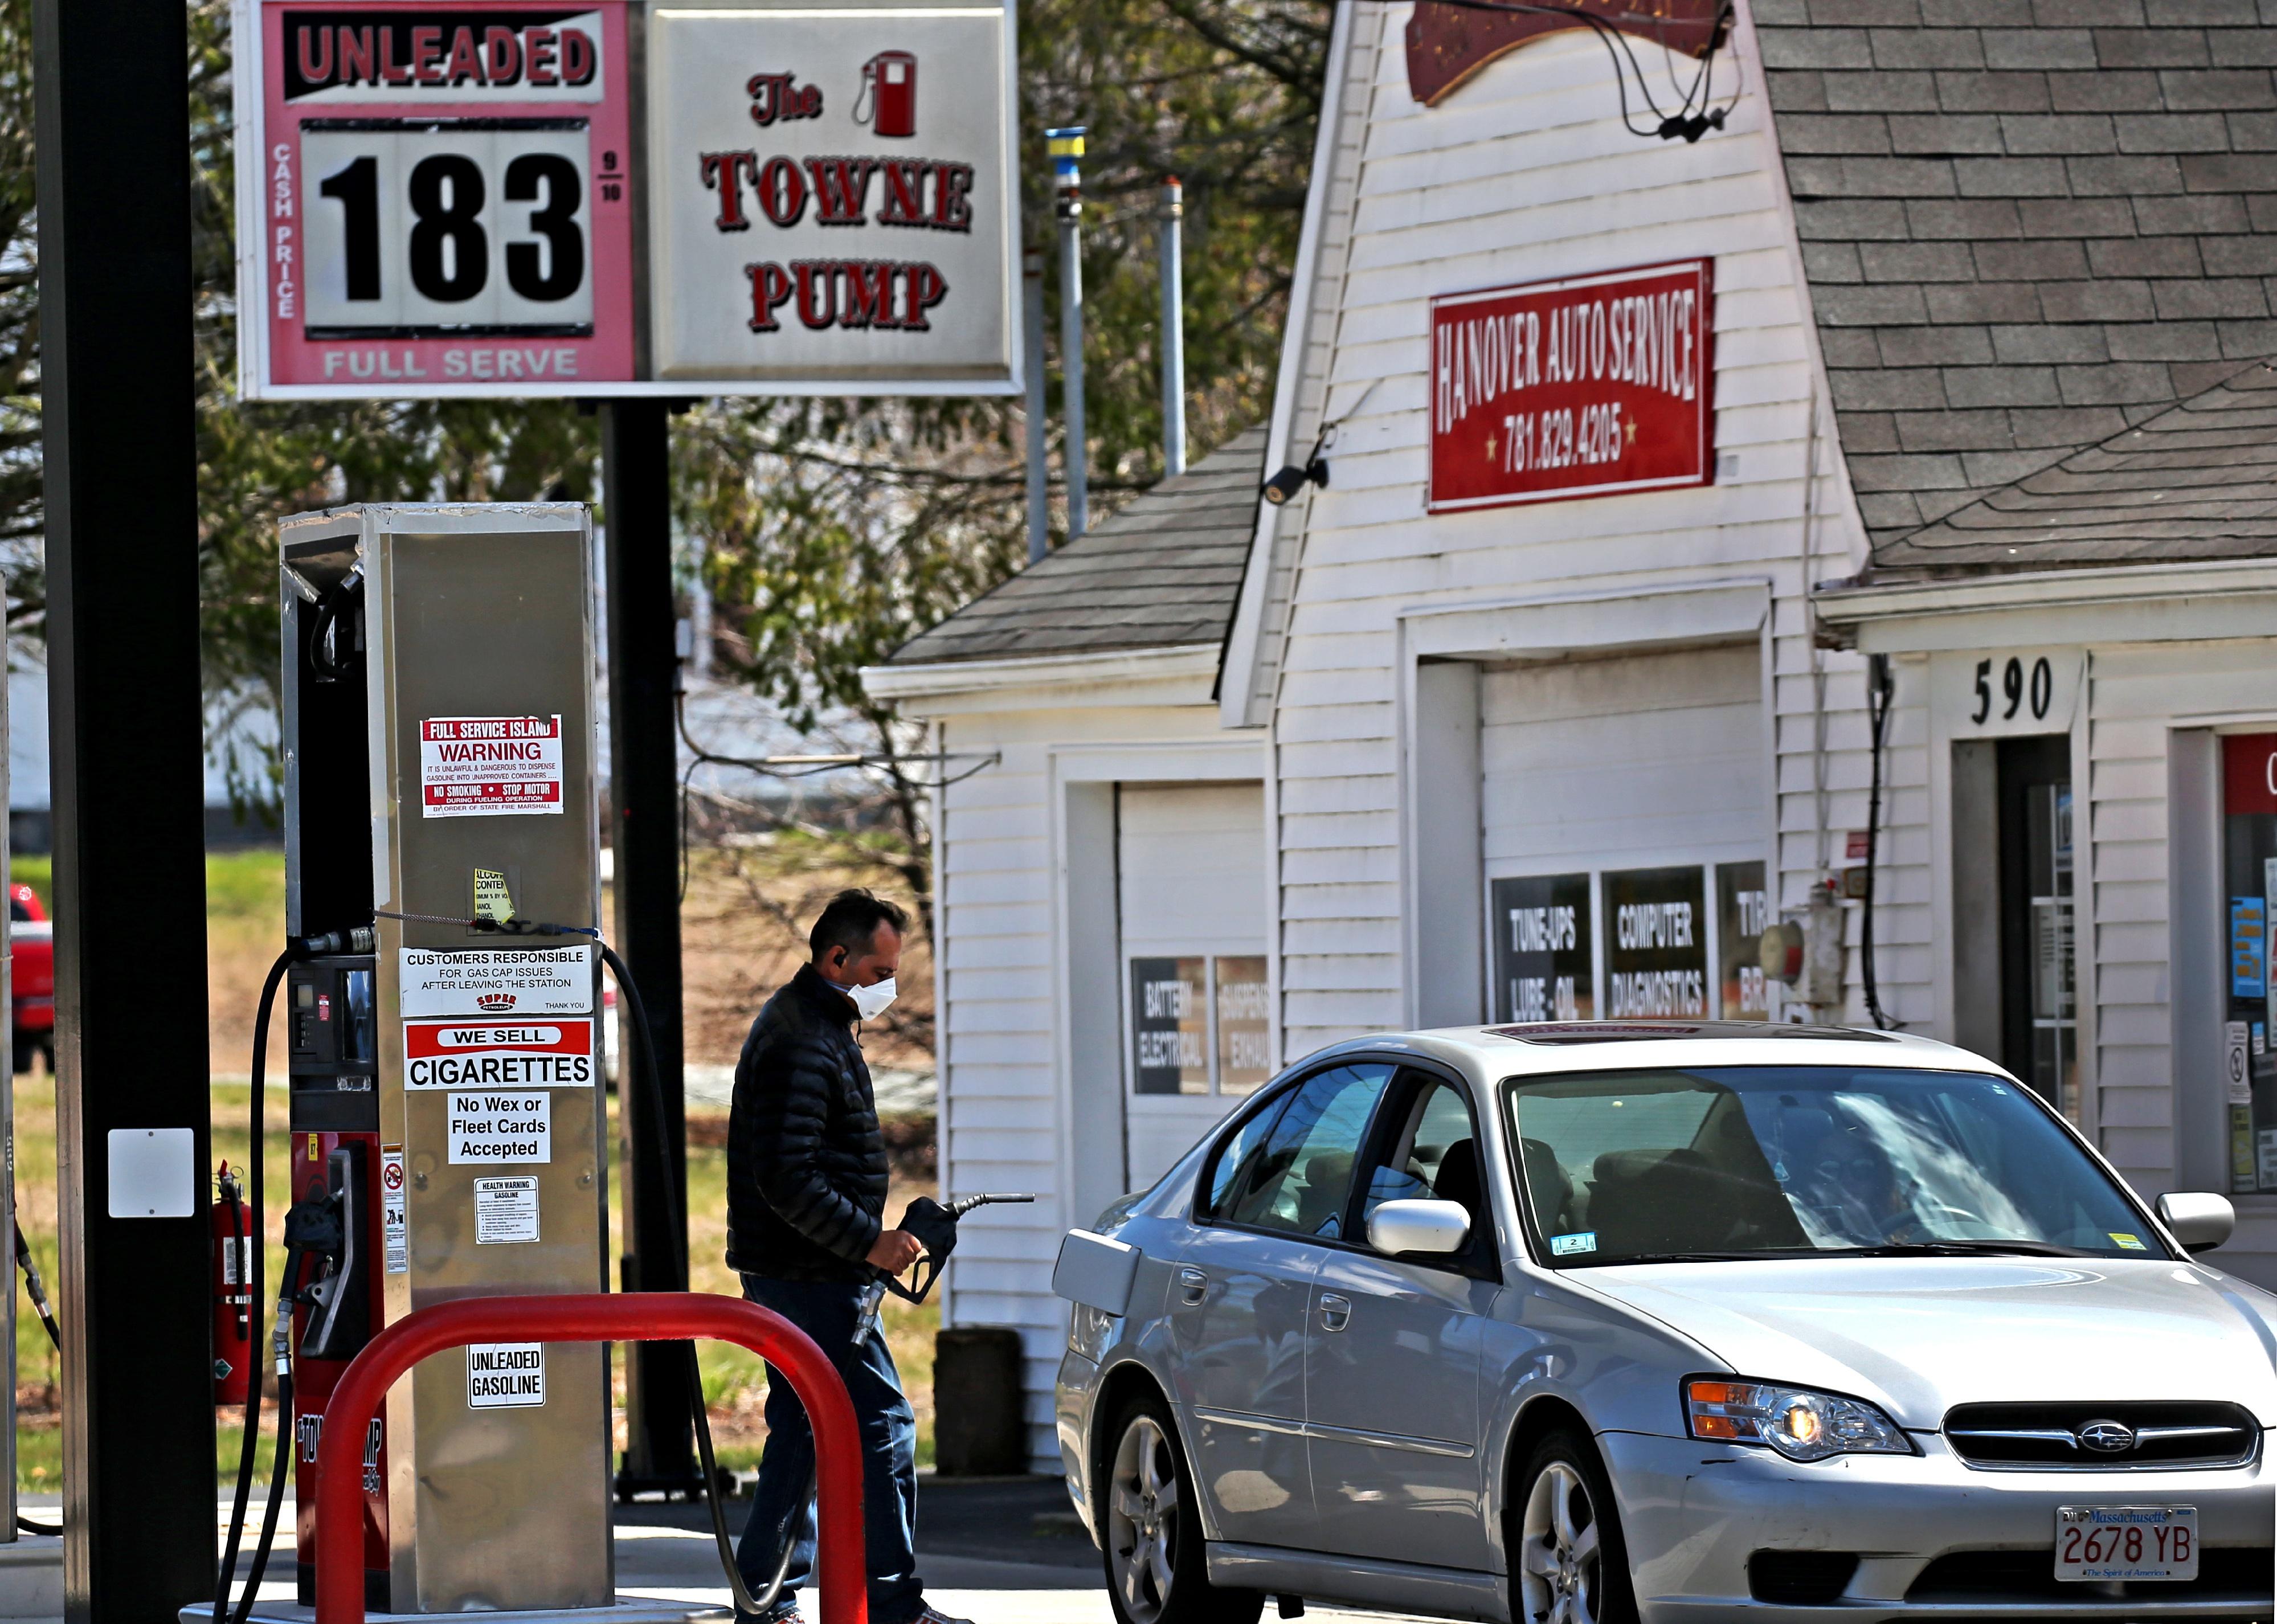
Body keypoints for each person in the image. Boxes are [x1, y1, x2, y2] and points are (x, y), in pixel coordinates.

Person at [727, 888, 965, 1624]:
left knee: (802, 1430)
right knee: (881, 1424)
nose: (886, 983)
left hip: (811, 1270)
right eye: (876, 967)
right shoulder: (802, 1038)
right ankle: (890, 1602)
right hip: (811, 1275)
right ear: (836, 958)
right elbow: (786, 1175)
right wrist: (870, 1242)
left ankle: (766, 1601)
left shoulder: (819, 1026)